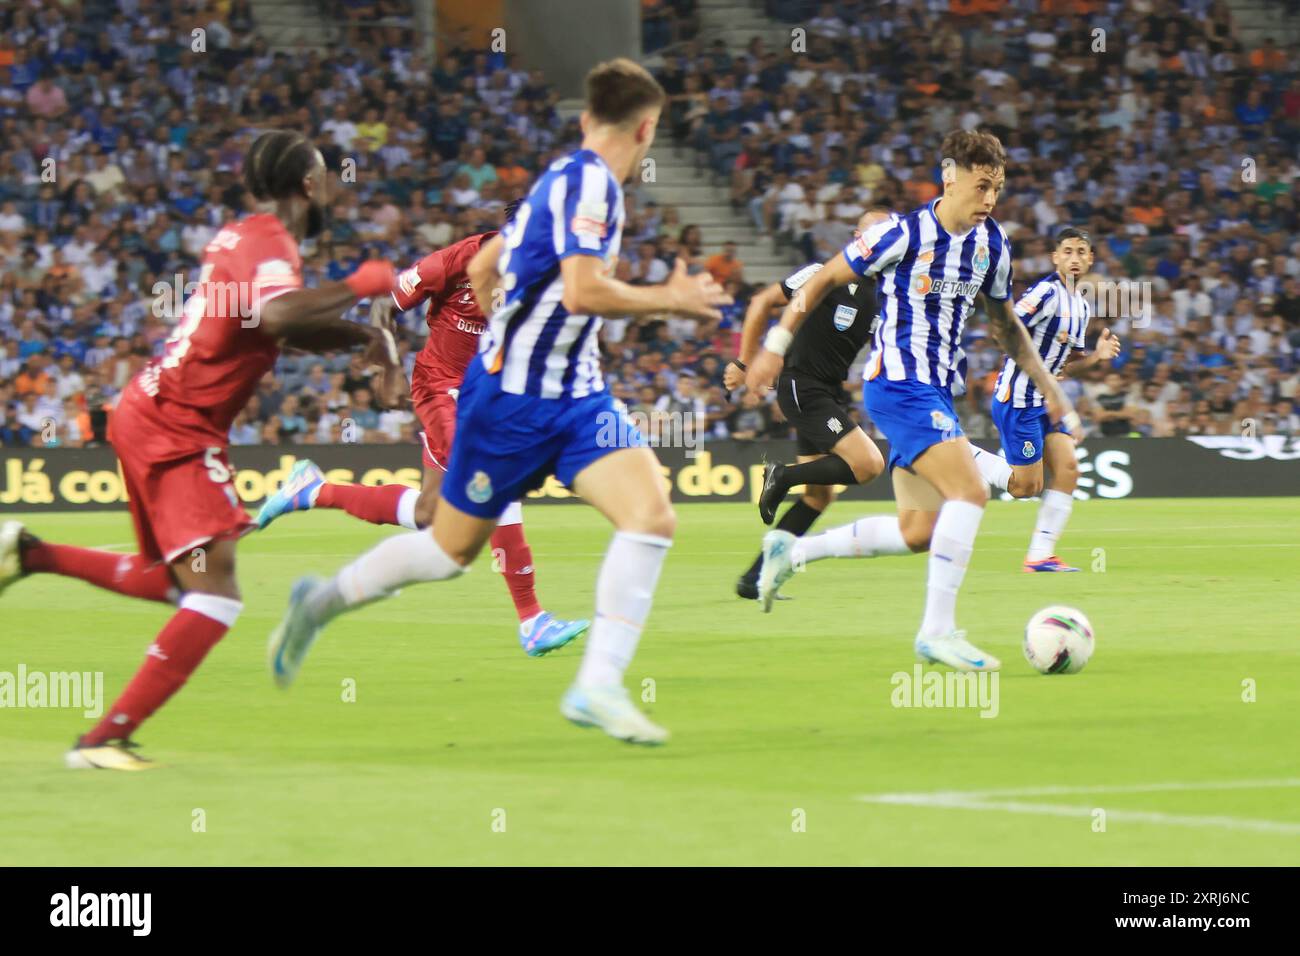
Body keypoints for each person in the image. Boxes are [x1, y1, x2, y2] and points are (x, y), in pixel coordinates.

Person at [265, 59, 730, 745]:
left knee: (652, 516)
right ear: (647, 127)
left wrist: (504, 330)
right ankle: (322, 600)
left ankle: (597, 686)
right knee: (448, 549)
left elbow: (485, 267)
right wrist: (674, 298)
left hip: (576, 398)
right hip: (511, 404)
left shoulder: (560, 178)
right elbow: (581, 292)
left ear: (585, 119)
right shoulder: (594, 185)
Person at [0, 130, 405, 769]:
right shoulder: (271, 243)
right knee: (215, 595)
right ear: (308, 184)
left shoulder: (244, 237)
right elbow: (278, 318)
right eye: (325, 175)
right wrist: (361, 283)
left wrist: (364, 339)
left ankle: (30, 553)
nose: (330, 186)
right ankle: (103, 741)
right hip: (175, 425)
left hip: (152, 410)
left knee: (173, 582)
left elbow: (280, 326)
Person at [746, 130, 1079, 671]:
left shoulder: (992, 245)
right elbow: (821, 279)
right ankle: (937, 631)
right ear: (950, 177)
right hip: (899, 387)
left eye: (997, 187)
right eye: (982, 185)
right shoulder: (901, 236)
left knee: (918, 532)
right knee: (971, 494)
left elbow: (1006, 326)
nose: (990, 199)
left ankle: (794, 551)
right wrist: (773, 347)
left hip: (935, 396)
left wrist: (1049, 384)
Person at [255, 202, 590, 656]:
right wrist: (388, 362)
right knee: (492, 477)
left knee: (431, 516)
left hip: (485, 397)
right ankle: (532, 619)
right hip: (441, 388)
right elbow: (386, 303)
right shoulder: (459, 260)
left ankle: (314, 491)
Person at [722, 207, 890, 600]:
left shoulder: (886, 293)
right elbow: (762, 302)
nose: (879, 239)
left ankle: (754, 578)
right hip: (802, 387)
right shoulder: (826, 272)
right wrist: (745, 362)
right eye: (872, 231)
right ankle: (781, 476)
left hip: (826, 391)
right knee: (867, 465)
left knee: (819, 496)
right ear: (855, 237)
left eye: (887, 233)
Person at [969, 227, 1123, 571]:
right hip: (1019, 399)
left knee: (1068, 468)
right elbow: (1005, 331)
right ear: (1055, 257)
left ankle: (1040, 556)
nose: (1074, 258)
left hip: (1045, 402)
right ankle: (959, 450)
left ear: (1090, 259)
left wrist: (1097, 357)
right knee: (1025, 487)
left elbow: (1066, 367)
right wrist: (1039, 376)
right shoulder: (1045, 293)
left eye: (1082, 252)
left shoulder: (1081, 307)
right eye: (1067, 251)